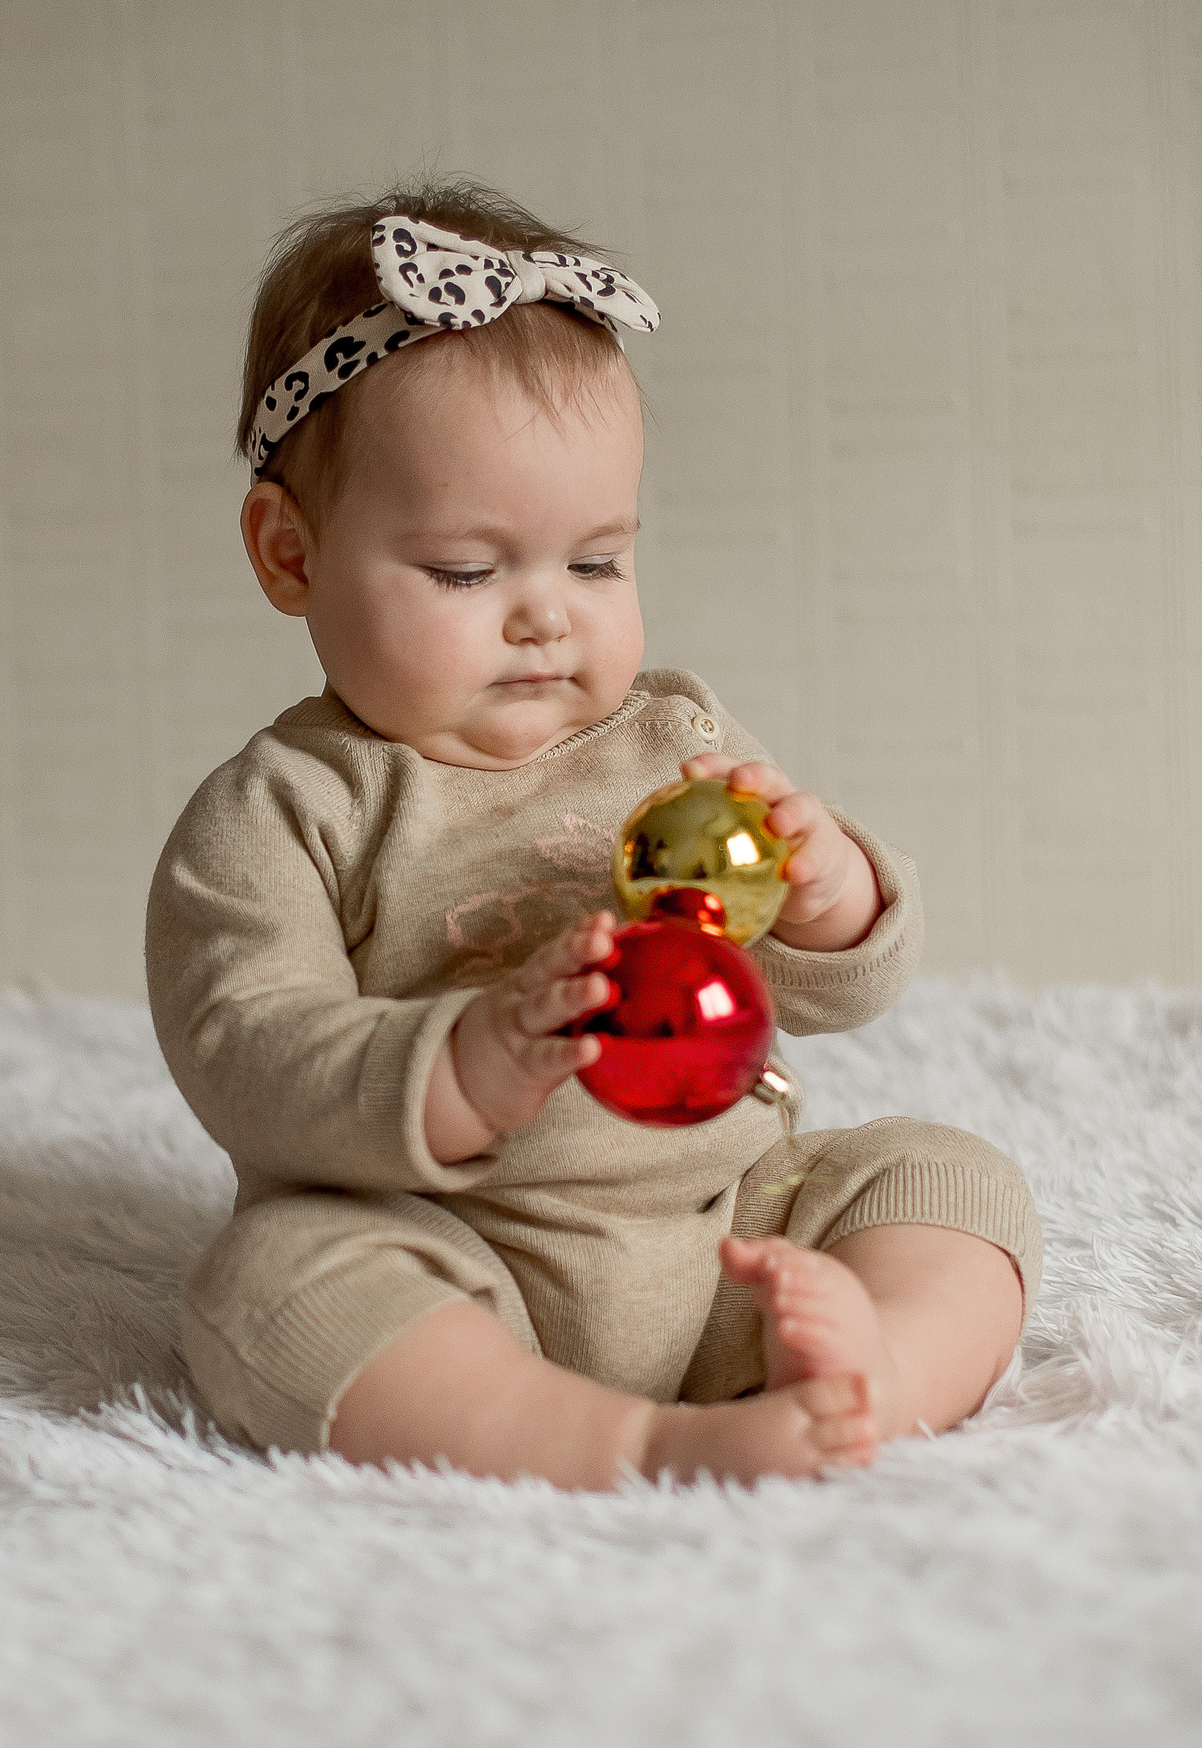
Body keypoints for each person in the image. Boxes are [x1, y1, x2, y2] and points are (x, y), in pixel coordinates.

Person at [145, 179, 1041, 1487]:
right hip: (455, 1247)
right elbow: (244, 1048)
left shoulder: (672, 738)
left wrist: (830, 895)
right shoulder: (289, 806)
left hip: (725, 1225)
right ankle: (637, 1444)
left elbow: (832, 989)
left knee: (949, 1180)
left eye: (597, 562)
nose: (546, 616)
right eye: (467, 570)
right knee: (270, 1291)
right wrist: (464, 1063)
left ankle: (870, 1376)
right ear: (291, 554)